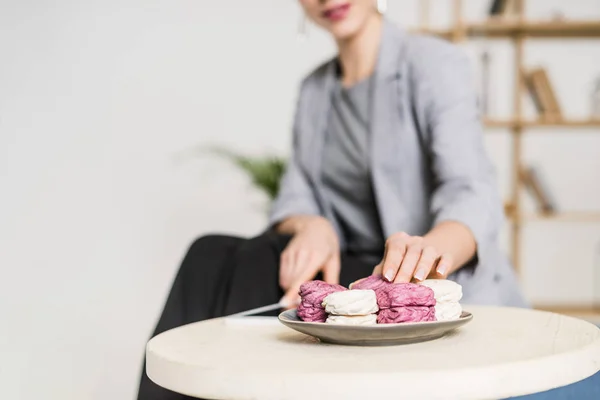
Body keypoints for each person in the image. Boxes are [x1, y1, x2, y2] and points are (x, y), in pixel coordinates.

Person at [137, 0, 528, 398]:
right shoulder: (315, 90)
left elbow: (470, 188)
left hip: (409, 273)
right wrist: (312, 225)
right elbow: (296, 192)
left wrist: (425, 254)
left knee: (257, 261)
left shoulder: (432, 64)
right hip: (349, 274)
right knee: (209, 252)